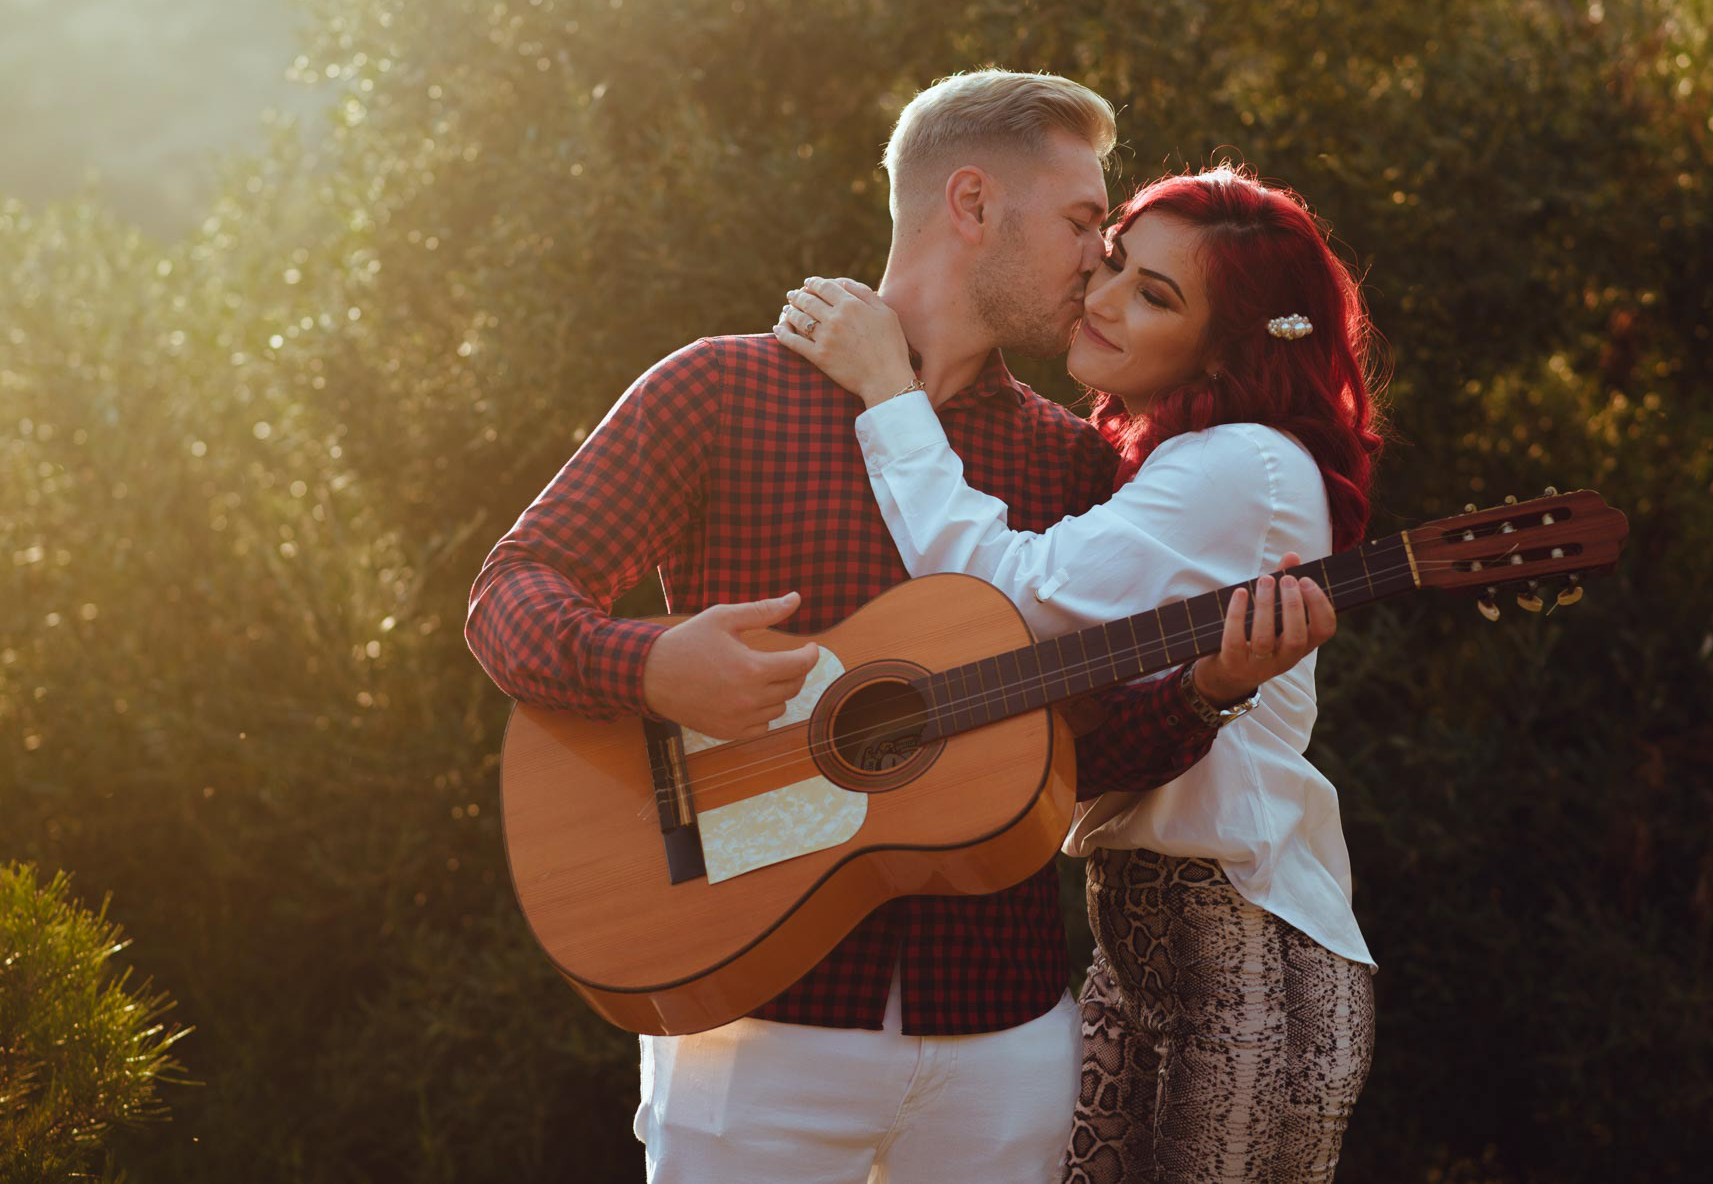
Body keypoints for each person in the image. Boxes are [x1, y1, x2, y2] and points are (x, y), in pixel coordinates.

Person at [464, 72, 1335, 1184]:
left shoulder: (1070, 465)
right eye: (1081, 223)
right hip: (753, 1021)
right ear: (971, 203)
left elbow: (1077, 756)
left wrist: (1208, 689)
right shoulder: (720, 392)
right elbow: (513, 590)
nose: (1096, 262)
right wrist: (647, 664)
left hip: (1005, 1037)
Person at [774, 162, 1386, 1183]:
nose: (1101, 300)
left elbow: (1003, 597)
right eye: (1112, 266)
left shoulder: (1243, 463)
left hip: (1245, 949)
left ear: (1229, 346)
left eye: (1155, 294)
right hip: (1139, 935)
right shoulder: (1163, 464)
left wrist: (888, 386)